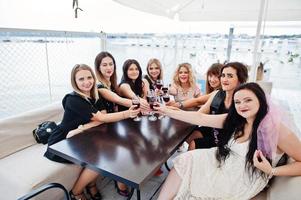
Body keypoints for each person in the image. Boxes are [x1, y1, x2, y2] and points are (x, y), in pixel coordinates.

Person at [155, 82, 301, 200]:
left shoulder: (274, 129)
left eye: (248, 100)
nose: (242, 105)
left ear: (261, 101)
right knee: (185, 159)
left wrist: (272, 171)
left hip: (242, 178)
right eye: (237, 102)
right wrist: (165, 110)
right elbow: (201, 118)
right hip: (225, 162)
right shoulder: (238, 120)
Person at [44, 64, 140, 200]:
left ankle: (91, 185)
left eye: (89, 77)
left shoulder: (94, 94)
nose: (86, 82)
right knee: (99, 157)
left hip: (80, 136)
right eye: (81, 79)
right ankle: (76, 192)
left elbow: (103, 117)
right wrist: (128, 113)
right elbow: (102, 118)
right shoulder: (73, 99)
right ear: (74, 82)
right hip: (62, 142)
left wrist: (80, 129)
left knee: (111, 146)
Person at [188, 62, 248, 150]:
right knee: (191, 136)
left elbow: (200, 113)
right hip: (214, 131)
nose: (224, 79)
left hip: (228, 141)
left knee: (193, 143)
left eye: (230, 76)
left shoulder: (243, 102)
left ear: (240, 80)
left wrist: (175, 112)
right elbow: (199, 114)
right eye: (223, 75)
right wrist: (176, 111)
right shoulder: (218, 94)